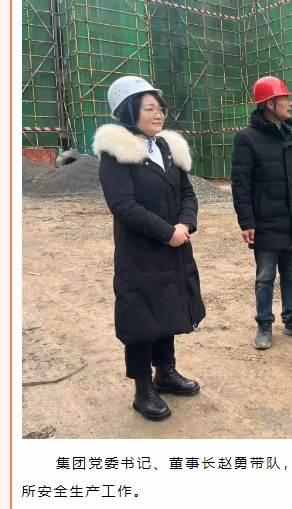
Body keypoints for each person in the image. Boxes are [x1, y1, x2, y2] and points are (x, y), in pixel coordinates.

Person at [93, 76, 205, 422]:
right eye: (149, 109)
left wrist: (185, 224)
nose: (158, 115)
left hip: (173, 247)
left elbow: (187, 192)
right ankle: (143, 388)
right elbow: (123, 206)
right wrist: (167, 232)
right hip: (140, 252)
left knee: (167, 308)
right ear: (129, 112)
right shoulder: (116, 154)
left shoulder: (166, 148)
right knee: (141, 317)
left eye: (160, 109)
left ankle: (165, 372)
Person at [231, 76, 292, 350]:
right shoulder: (247, 139)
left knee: (291, 274)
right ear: (269, 104)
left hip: (291, 218)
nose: (290, 103)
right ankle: (264, 324)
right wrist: (246, 221)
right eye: (285, 98)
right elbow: (241, 184)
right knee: (265, 277)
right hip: (266, 220)